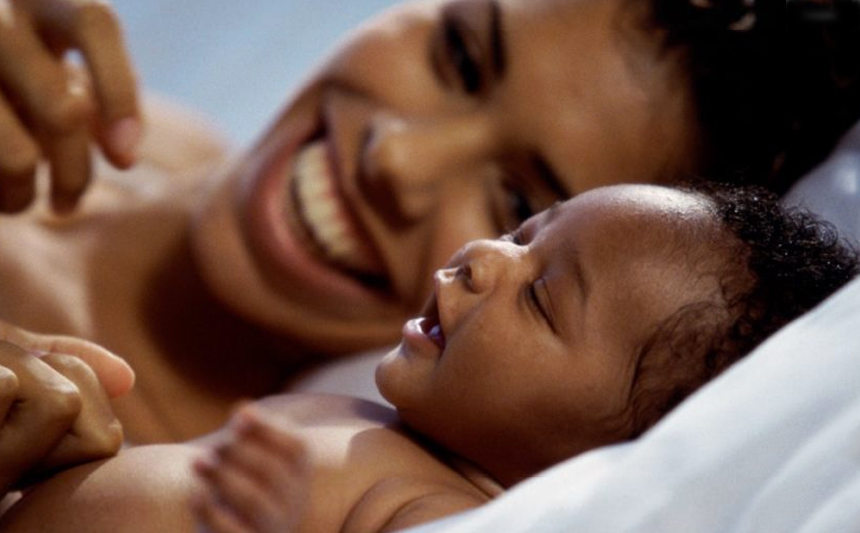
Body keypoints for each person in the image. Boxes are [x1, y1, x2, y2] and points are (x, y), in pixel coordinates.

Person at [0, 0, 855, 473]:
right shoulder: (141, 127)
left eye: (520, 196)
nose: (397, 160)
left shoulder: (122, 465)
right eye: (461, 56)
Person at [1, 183, 857, 532]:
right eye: (526, 229)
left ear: (607, 459)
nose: (483, 256)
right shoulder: (390, 434)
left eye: (541, 297)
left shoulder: (434, 508)